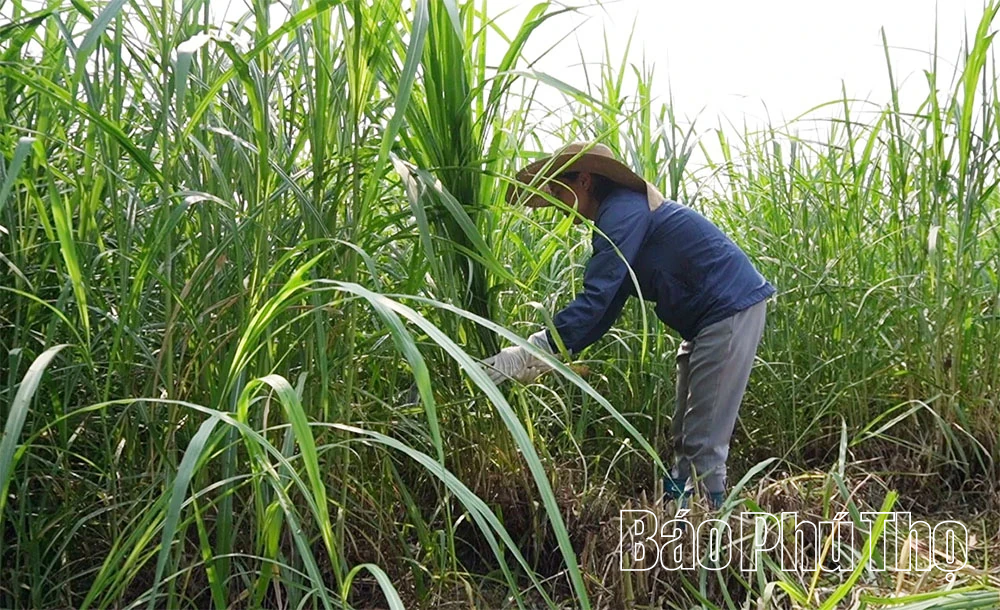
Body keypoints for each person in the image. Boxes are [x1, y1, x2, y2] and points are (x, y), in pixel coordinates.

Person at [481, 141, 776, 508]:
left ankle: (709, 540)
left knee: (704, 439)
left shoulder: (623, 212)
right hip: (706, 321)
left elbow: (597, 297)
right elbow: (604, 309)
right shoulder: (617, 218)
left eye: (558, 190)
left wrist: (535, 348)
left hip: (728, 309)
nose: (555, 204)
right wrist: (544, 356)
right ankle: (678, 518)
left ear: (585, 181)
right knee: (685, 433)